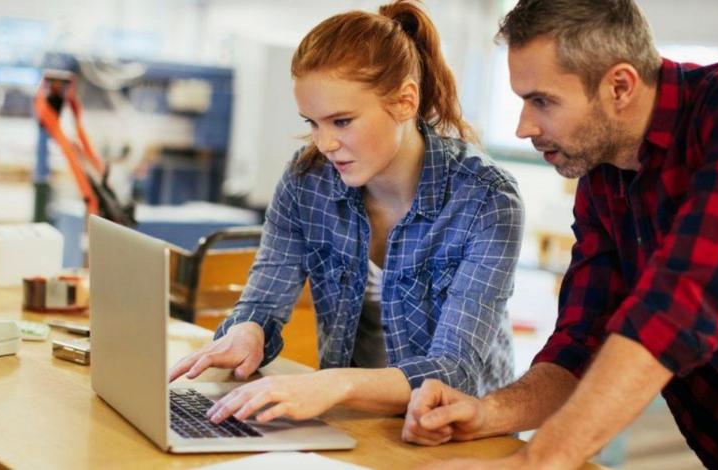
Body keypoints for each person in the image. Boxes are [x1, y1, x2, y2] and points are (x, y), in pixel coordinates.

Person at [402, 0, 718, 469]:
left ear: (619, 85)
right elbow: (582, 342)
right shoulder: (604, 178)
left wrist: (539, 460)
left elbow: (687, 299)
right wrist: (487, 412)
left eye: (541, 100)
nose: (524, 127)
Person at [168, 0, 523, 426]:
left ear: (405, 101)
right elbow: (264, 299)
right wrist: (249, 331)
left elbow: (454, 370)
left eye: (341, 121)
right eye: (313, 123)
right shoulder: (306, 181)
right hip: (354, 420)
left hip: (458, 431)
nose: (324, 144)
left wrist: (333, 384)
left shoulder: (486, 200)